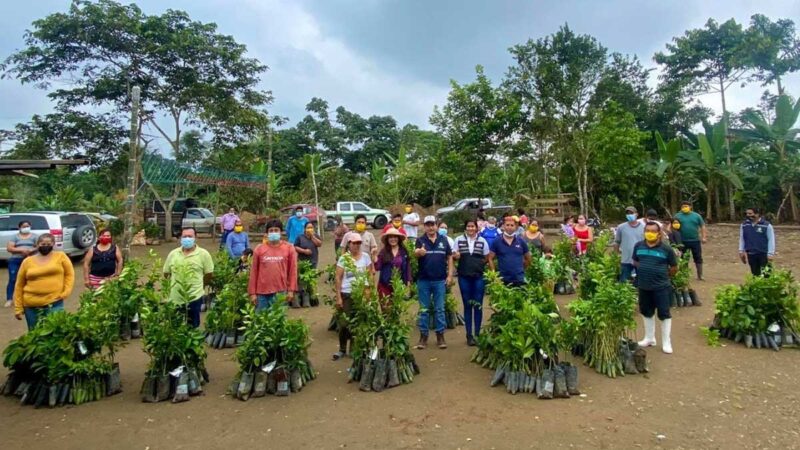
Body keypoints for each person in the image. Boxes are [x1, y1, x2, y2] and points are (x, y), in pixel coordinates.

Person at [13, 234, 74, 330]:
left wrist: (66, 291)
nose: (45, 246)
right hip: (31, 304)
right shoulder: (27, 261)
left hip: (54, 301)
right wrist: (18, 308)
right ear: (37, 245)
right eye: (43, 244)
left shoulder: (61, 256)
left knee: (55, 331)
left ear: (53, 244)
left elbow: (69, 274)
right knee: (35, 334)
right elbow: (19, 285)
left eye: (48, 244)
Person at [634, 222, 678, 354]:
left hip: (661, 287)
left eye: (653, 231)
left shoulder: (666, 249)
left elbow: (674, 267)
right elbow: (635, 261)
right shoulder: (638, 246)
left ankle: (666, 342)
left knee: (664, 313)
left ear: (659, 233)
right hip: (643, 286)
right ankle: (649, 338)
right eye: (647, 230)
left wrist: (663, 275)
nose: (650, 233)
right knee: (646, 311)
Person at [414, 215, 453, 350]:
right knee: (424, 310)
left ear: (436, 225)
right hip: (424, 280)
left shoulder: (443, 240)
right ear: (424, 226)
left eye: (433, 224)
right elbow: (416, 253)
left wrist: (450, 274)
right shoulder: (420, 240)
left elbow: (449, 257)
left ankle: (440, 336)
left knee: (440, 309)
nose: (431, 227)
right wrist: (419, 252)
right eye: (428, 225)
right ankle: (423, 336)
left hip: (439, 280)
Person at [333, 232, 374, 360]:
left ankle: (353, 348)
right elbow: (338, 278)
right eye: (354, 243)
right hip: (347, 293)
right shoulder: (344, 258)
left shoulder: (366, 257)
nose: (356, 246)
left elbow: (369, 276)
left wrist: (369, 293)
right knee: (345, 323)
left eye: (358, 243)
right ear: (349, 244)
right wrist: (338, 296)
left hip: (361, 293)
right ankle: (342, 348)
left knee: (358, 322)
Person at [163, 227, 214, 328]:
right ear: (180, 238)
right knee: (175, 326)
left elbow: (209, 274)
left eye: (190, 236)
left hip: (194, 296)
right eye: (184, 236)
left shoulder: (203, 254)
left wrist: (201, 285)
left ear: (196, 238)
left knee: (192, 325)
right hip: (176, 297)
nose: (187, 239)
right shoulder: (173, 254)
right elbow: (166, 273)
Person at [453, 219, 490, 346]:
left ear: (476, 228)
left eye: (472, 226)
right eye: (468, 226)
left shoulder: (482, 241)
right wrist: (456, 256)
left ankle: (477, 334)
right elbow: (454, 255)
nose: (470, 229)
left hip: (478, 277)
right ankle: (469, 335)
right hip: (464, 277)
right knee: (467, 305)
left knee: (478, 305)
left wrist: (478, 265)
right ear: (465, 228)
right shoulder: (458, 240)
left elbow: (486, 257)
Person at [248, 220, 297, 311]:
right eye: (271, 230)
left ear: (281, 232)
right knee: (261, 322)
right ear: (266, 233)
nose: (273, 232)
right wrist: (252, 293)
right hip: (262, 293)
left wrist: (291, 290)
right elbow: (254, 272)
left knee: (278, 322)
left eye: (276, 230)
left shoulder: (289, 248)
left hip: (280, 292)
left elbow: (292, 271)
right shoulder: (259, 249)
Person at [487, 215, 531, 287]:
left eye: (512, 225)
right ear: (503, 226)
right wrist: (494, 275)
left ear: (516, 227)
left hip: (519, 279)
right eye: (507, 225)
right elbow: (490, 258)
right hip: (502, 280)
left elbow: (528, 259)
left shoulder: (521, 241)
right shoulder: (497, 241)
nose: (509, 227)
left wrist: (521, 269)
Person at [6, 220, 36, 307]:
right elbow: (10, 248)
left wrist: (31, 251)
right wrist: (22, 250)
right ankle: (9, 299)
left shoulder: (35, 236)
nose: (26, 228)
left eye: (27, 226)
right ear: (19, 227)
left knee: (29, 279)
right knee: (13, 279)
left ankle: (27, 298)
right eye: (24, 226)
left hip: (30, 260)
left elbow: (39, 246)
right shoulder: (14, 237)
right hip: (15, 260)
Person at [674, 201, 707, 280]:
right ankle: (684, 275)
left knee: (698, 257)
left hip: (695, 240)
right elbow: (673, 227)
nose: (684, 208)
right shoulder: (677, 216)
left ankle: (700, 275)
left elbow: (702, 226)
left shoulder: (696, 216)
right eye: (683, 207)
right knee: (683, 258)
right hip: (682, 241)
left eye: (686, 206)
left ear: (690, 207)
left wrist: (704, 237)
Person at [375, 228, 411, 298]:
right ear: (387, 239)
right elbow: (377, 267)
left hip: (399, 285)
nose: (393, 239)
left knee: (398, 307)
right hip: (385, 285)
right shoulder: (383, 251)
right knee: (386, 307)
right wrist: (374, 256)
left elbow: (407, 267)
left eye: (395, 237)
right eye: (390, 237)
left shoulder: (403, 251)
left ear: (398, 238)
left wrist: (408, 281)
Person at [739, 207, 776, 277]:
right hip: (751, 253)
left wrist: (770, 253)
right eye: (747, 213)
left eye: (750, 213)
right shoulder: (744, 225)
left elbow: (771, 239)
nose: (748, 215)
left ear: (757, 214)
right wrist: (741, 251)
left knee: (766, 274)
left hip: (763, 254)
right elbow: (742, 238)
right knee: (755, 274)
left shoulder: (766, 225)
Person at [295, 221, 322, 307]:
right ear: (304, 229)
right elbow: (295, 246)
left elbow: (319, 244)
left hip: (313, 261)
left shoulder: (315, 236)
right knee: (301, 280)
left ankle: (312, 299)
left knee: (311, 279)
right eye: (308, 228)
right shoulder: (300, 237)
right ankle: (301, 298)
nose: (309, 229)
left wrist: (312, 236)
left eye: (311, 228)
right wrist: (304, 251)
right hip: (302, 262)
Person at [614, 206, 645, 283]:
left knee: (641, 282)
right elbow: (617, 242)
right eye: (627, 213)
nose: (629, 215)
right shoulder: (621, 227)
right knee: (624, 282)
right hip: (626, 259)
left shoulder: (644, 227)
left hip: (640, 259)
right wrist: (616, 255)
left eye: (631, 213)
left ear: (637, 214)